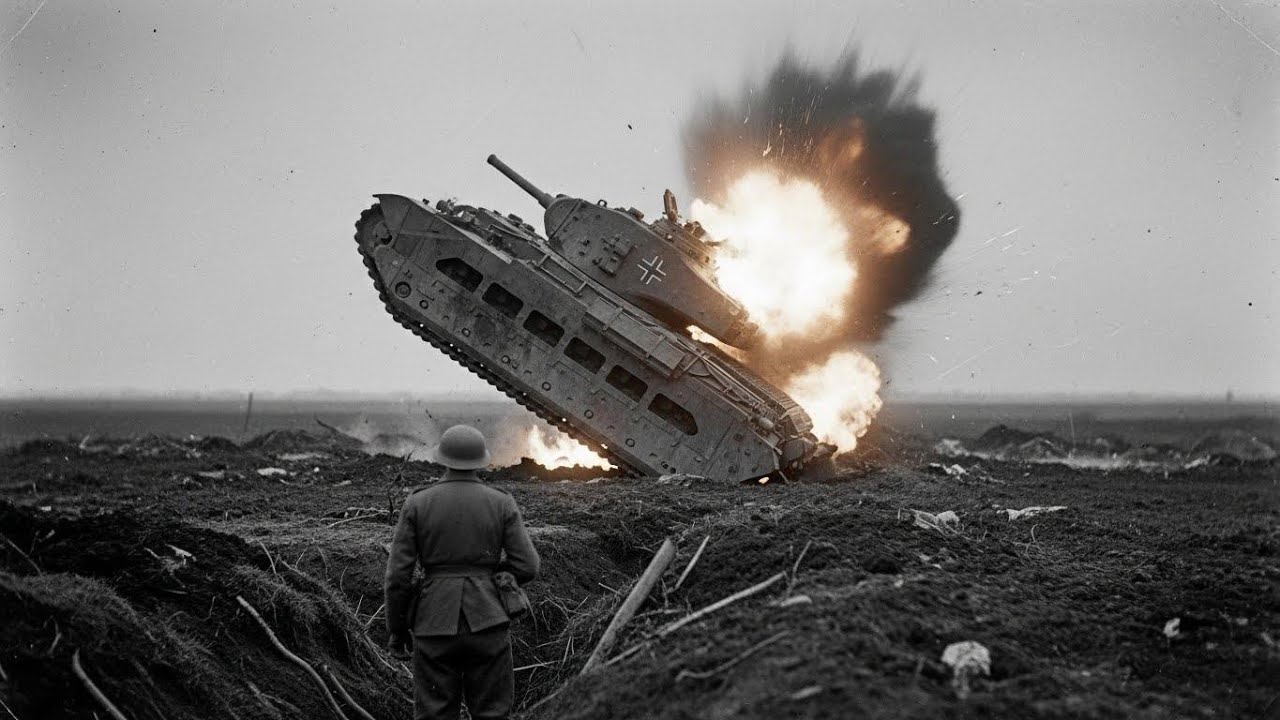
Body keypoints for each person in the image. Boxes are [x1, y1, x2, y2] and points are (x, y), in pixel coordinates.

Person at [385, 424, 540, 720]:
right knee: (493, 713)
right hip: (489, 622)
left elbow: (397, 579)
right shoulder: (501, 502)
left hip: (433, 623)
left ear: (442, 458)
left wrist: (397, 629)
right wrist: (495, 580)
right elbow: (528, 565)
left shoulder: (417, 503)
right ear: (482, 460)